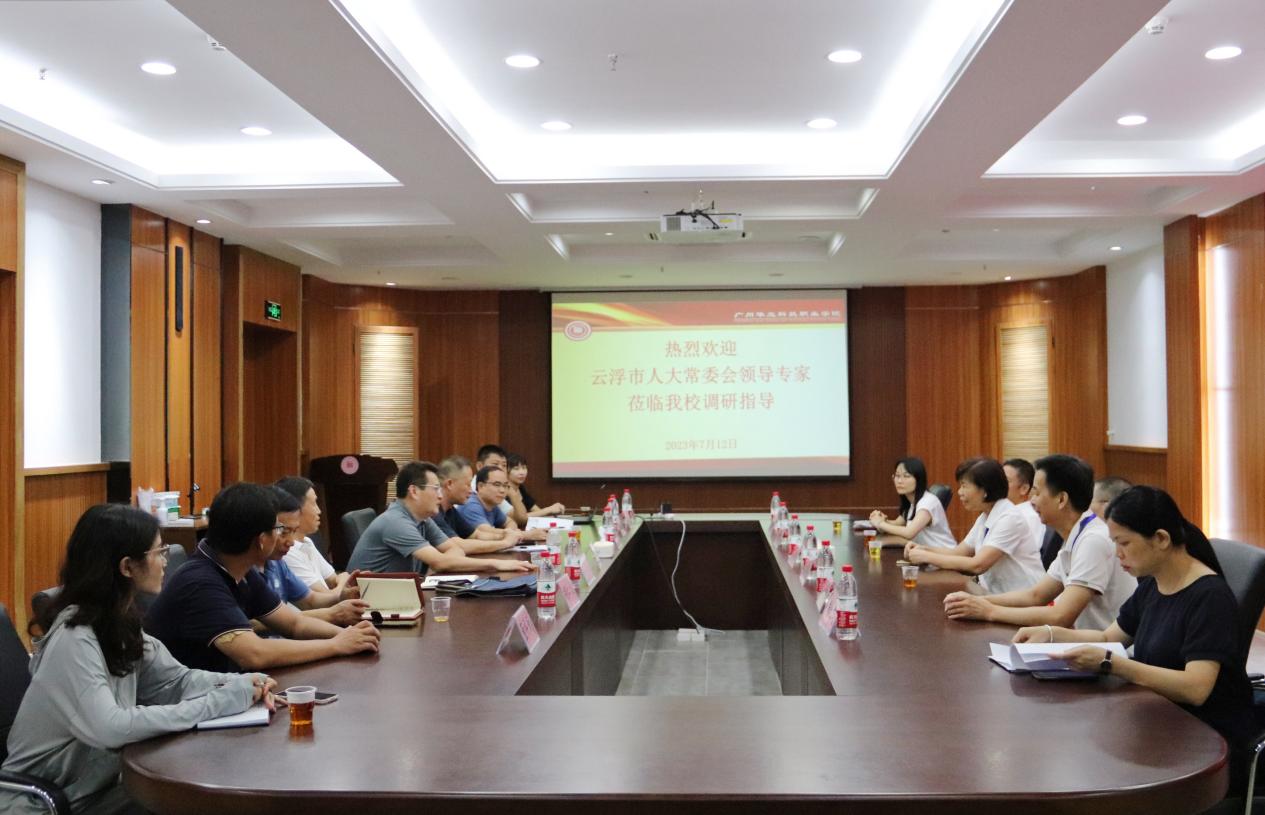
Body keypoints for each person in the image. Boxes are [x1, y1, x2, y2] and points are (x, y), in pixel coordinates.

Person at [1, 504, 275, 815]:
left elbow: (176, 681)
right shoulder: (74, 637)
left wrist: (241, 683)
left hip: (99, 787)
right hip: (44, 802)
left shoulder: (117, 623)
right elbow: (112, 727)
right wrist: (221, 701)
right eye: (159, 552)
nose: (165, 561)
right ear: (127, 567)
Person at [1015, 486, 1257, 790]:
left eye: (1124, 543)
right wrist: (1051, 634)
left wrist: (1112, 664)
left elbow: (1196, 688)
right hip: (1160, 720)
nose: (1118, 554)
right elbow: (1108, 635)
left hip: (1207, 743)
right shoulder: (1154, 584)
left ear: (1161, 539)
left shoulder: (1210, 597)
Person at [144, 483, 381, 673]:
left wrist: (350, 636)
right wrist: (335, 645)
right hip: (182, 702)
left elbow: (294, 624)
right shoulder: (200, 582)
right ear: (261, 540)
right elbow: (254, 654)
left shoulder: (240, 569)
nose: (284, 538)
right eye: (278, 530)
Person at [944, 455, 1135, 629]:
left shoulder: (1093, 540)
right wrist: (978, 601)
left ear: (1061, 499)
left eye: (1036, 493)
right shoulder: (1077, 534)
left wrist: (988, 611)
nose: (1032, 501)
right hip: (1083, 645)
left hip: (1108, 650)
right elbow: (1036, 595)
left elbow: (1061, 616)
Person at [345, 460, 536, 575]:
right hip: (371, 606)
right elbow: (440, 561)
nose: (439, 495)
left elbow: (454, 549)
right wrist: (498, 564)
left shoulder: (422, 518)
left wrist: (446, 561)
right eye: (435, 489)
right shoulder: (395, 521)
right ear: (414, 491)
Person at [904, 457, 1044, 594]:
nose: (959, 492)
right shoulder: (985, 516)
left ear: (985, 490)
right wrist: (923, 549)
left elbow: (978, 565)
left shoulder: (1010, 518)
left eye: (964, 486)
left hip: (1025, 599)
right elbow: (958, 552)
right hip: (996, 595)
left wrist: (926, 557)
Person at [261, 486, 367, 626]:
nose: (291, 542)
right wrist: (332, 615)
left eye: (293, 531)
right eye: (283, 532)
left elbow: (310, 600)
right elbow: (251, 625)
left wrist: (342, 596)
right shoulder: (249, 570)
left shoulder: (277, 563)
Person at [274, 475, 347, 595]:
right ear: (295, 509)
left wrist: (342, 583)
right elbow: (324, 597)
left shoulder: (307, 541)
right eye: (313, 504)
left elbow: (333, 580)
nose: (319, 511)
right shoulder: (286, 552)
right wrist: (343, 582)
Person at [868, 457, 956, 549]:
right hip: (925, 554)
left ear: (918, 479)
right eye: (897, 476)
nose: (899, 481)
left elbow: (909, 532)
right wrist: (882, 519)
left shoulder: (928, 502)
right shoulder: (912, 502)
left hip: (944, 554)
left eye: (906, 476)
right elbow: (897, 523)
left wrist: (880, 524)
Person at [453, 465, 542, 540]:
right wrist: (524, 535)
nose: (502, 490)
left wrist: (511, 532)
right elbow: (487, 532)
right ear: (480, 486)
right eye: (497, 485)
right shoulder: (470, 505)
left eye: (505, 485)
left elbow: (510, 522)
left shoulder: (492, 504)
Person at [505, 452, 564, 527]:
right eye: (516, 469)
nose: (522, 472)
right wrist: (549, 509)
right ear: (505, 471)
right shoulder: (503, 492)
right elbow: (521, 518)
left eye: (524, 468)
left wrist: (553, 511)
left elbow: (538, 511)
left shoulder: (521, 488)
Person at [1003, 457, 1046, 552]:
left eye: (1005, 480)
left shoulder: (1030, 517)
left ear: (1024, 489)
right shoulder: (998, 512)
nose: (998, 484)